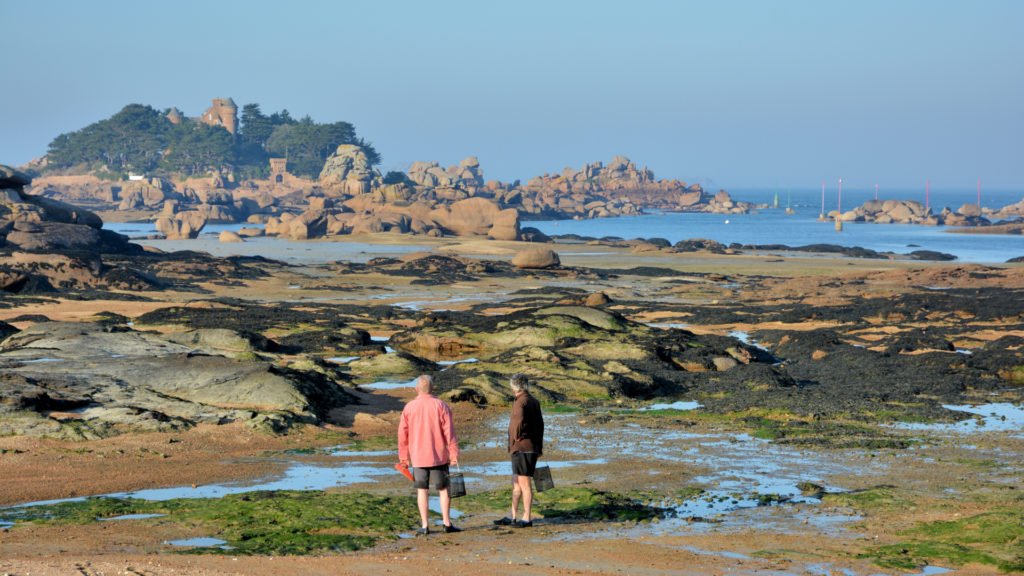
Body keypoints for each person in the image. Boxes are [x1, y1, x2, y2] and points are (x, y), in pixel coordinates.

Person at [397, 374, 461, 535]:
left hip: (418, 457)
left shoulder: (409, 407)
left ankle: (425, 526)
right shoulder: (441, 405)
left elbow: (402, 436)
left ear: (417, 389)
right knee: (444, 489)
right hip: (438, 455)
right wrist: (453, 454)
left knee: (422, 490)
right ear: (433, 388)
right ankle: (446, 523)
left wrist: (403, 459)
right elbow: (450, 433)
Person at [494, 372, 544, 528]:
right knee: (516, 483)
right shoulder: (534, 401)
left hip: (522, 448)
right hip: (531, 447)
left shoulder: (520, 402)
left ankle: (527, 518)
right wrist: (539, 447)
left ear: (514, 386)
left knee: (524, 484)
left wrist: (515, 438)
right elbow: (541, 425)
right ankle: (514, 516)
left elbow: (517, 421)